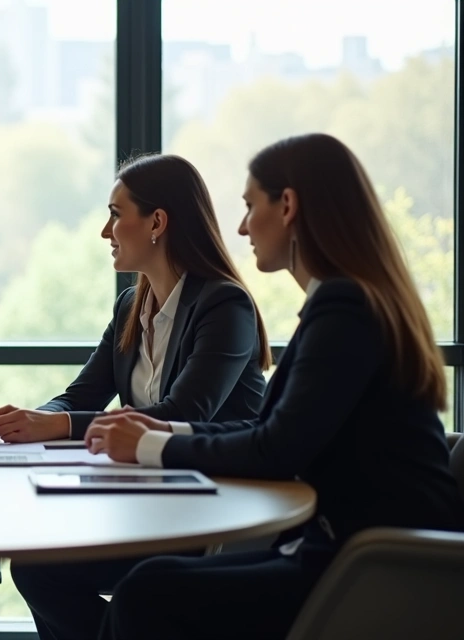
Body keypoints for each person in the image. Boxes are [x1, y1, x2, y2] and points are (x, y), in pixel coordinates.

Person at [87, 133, 464, 640]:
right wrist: (156, 435)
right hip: (345, 551)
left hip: (375, 567)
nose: (242, 226)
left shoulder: (344, 310)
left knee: (146, 595)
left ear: (287, 206)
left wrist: (150, 445)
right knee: (146, 587)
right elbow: (269, 428)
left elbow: (276, 448)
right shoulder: (344, 301)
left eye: (249, 206)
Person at [0, 153, 272, 640]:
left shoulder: (224, 304)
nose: (105, 231)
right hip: (146, 500)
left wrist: (61, 425)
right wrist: (32, 420)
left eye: (116, 215)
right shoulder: (131, 305)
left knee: (43, 572)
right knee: (34, 565)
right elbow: (81, 395)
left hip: (211, 510)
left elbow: (182, 413)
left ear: (157, 222)